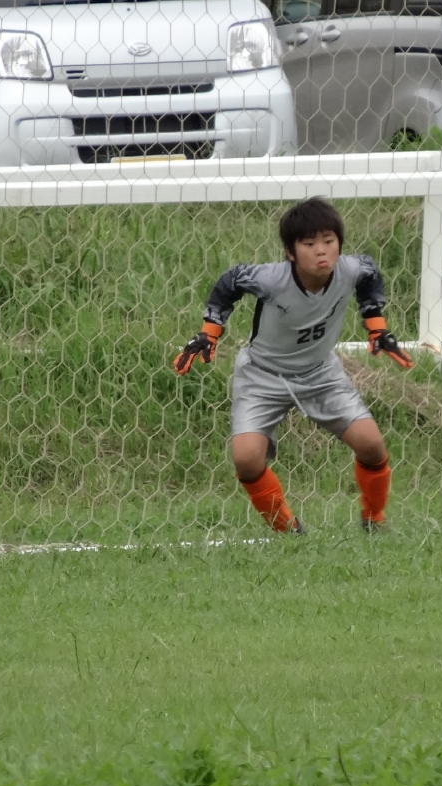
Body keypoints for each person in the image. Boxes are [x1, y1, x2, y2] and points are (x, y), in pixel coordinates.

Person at [173, 198, 414, 534]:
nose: (321, 251)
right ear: (290, 252)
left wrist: (376, 325)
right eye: (309, 244)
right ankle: (288, 532)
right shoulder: (271, 279)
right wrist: (209, 332)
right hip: (262, 375)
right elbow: (231, 280)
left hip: (320, 373)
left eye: (329, 241)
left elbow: (370, 272)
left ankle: (374, 521)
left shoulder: (350, 269)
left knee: (372, 445)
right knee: (246, 460)